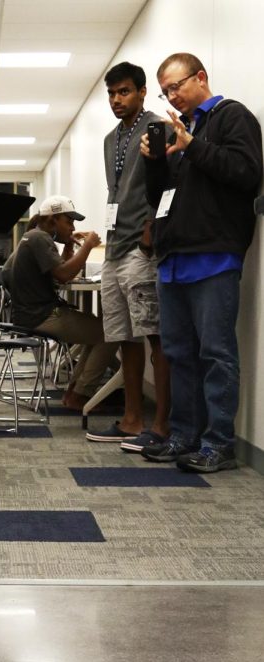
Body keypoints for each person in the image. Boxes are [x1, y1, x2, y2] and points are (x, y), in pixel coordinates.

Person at [140, 53, 263, 473]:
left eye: (177, 86)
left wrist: (192, 146)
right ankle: (184, 436)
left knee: (215, 353)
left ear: (201, 78)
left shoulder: (231, 117)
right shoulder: (181, 129)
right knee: (178, 353)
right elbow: (159, 196)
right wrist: (154, 160)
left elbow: (245, 172)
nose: (172, 95)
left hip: (214, 255)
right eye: (166, 90)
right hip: (173, 258)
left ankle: (219, 443)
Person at [86, 61, 171, 450]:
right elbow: (116, 189)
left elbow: (170, 184)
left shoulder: (160, 127)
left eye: (124, 92)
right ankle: (132, 418)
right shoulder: (109, 139)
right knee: (123, 337)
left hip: (141, 245)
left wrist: (152, 227)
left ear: (141, 92)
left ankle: (162, 425)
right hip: (114, 246)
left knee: (154, 334)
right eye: (111, 93)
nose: (116, 100)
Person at [10, 195, 117, 411]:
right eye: (68, 222)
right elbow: (64, 275)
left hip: (32, 313)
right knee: (110, 332)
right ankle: (79, 395)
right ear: (52, 221)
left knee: (96, 331)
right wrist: (87, 246)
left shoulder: (34, 236)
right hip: (41, 316)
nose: (72, 227)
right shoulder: (40, 238)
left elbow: (61, 269)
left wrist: (69, 244)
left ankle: (75, 392)